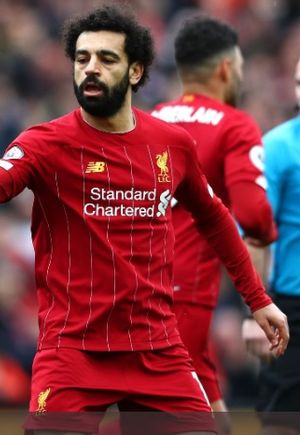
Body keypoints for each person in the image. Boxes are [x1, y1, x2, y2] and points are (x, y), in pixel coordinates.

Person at [0, 6, 288, 434]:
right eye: (82, 59)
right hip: (75, 352)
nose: (90, 68)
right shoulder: (46, 143)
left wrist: (257, 299)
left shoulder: (171, 144)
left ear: (136, 72)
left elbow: (214, 217)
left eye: (106, 59)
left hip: (157, 351)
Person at [150, 16, 277, 420]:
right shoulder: (236, 125)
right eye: (239, 67)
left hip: (134, 286)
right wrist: (257, 303)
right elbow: (254, 216)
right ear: (226, 69)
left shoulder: (149, 120)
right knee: (163, 423)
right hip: (183, 296)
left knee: (211, 421)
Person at [243, 56, 300, 434]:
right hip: (293, 308)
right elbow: (254, 235)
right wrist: (256, 311)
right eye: (298, 83)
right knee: (281, 420)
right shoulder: (278, 148)